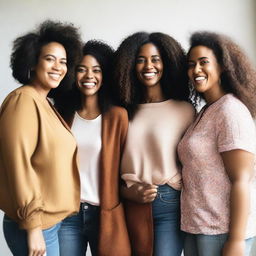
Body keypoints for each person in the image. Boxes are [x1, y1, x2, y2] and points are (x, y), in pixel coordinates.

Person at [0, 20, 82, 256]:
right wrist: (34, 227)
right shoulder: (23, 100)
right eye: (50, 58)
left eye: (64, 61)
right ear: (33, 61)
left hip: (52, 222)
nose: (58, 66)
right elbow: (19, 166)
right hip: (34, 225)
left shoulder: (45, 102)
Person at [113, 32, 195, 256]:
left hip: (170, 203)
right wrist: (126, 192)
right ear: (129, 64)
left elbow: (194, 162)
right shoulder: (121, 111)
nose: (148, 65)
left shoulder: (185, 110)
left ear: (167, 62)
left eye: (155, 59)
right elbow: (109, 162)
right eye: (140, 59)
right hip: (128, 201)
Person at [177, 31, 256, 256]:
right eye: (191, 64)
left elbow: (242, 179)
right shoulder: (206, 111)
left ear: (222, 66)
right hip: (196, 227)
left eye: (204, 63)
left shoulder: (230, 110)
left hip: (221, 231)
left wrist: (236, 240)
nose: (196, 70)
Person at [55, 40, 131, 256]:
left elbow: (125, 167)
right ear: (72, 74)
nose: (89, 76)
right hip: (68, 213)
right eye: (81, 69)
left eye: (96, 70)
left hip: (105, 212)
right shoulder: (61, 114)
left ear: (105, 75)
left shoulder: (118, 116)